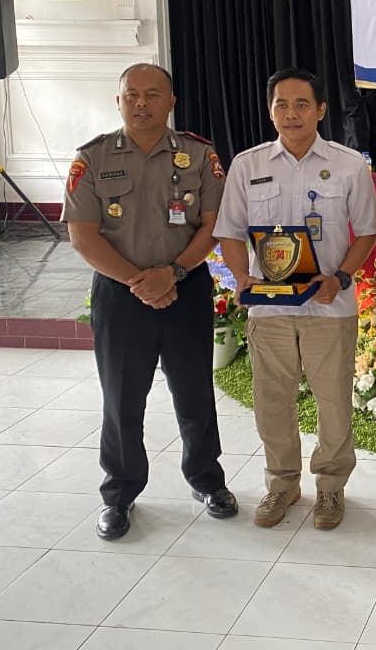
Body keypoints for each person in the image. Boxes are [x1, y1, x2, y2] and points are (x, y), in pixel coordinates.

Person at [63, 63, 237, 540]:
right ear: (118, 100)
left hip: (186, 289)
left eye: (152, 94)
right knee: (121, 398)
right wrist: (140, 280)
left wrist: (173, 273)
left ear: (171, 101)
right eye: (131, 95)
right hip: (120, 296)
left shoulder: (199, 156)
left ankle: (206, 481)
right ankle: (119, 495)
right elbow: (82, 236)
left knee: (195, 393)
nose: (141, 103)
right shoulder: (92, 158)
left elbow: (212, 224)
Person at [215, 68, 376, 531]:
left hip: (328, 306)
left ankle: (330, 488)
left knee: (332, 402)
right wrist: (242, 276)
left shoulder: (348, 164)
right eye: (282, 105)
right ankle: (282, 483)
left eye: (302, 104)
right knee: (272, 400)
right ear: (270, 111)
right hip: (268, 310)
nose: (291, 114)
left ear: (321, 110)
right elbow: (228, 231)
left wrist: (342, 277)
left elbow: (367, 231)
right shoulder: (248, 165)